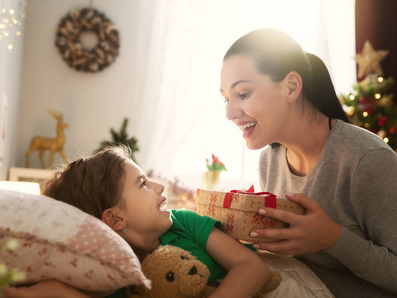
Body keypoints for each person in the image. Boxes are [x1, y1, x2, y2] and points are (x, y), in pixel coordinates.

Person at [220, 28, 397, 297]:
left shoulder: (366, 160)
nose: (230, 113)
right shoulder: (271, 160)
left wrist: (333, 239)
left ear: (291, 86)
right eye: (226, 98)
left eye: (243, 94)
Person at [3, 146, 271, 298]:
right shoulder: (114, 276)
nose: (158, 186)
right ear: (115, 218)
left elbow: (253, 267)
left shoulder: (183, 222)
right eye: (142, 183)